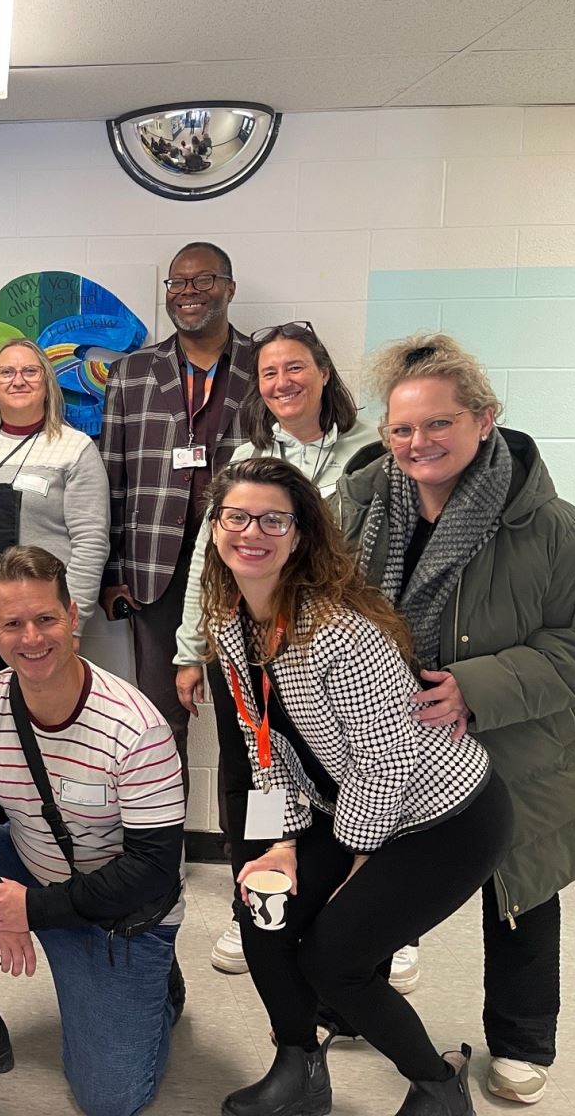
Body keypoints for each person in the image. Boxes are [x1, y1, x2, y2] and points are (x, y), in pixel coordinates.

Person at [338, 333, 575, 1107]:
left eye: (438, 424)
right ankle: (361, 993)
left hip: (523, 747)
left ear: (485, 419)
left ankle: (524, 1038)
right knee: (388, 879)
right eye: (401, 428)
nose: (417, 443)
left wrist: (473, 687)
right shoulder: (361, 504)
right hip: (400, 739)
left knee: (521, 891)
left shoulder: (550, 524)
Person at [198, 456, 512, 1116]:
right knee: (264, 910)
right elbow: (264, 751)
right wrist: (280, 846)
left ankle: (437, 1082)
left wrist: (355, 865)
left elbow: (386, 764)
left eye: (273, 519)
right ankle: (298, 1067)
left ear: (302, 534)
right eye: (236, 516)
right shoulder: (231, 627)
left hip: (446, 818)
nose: (251, 532)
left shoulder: (342, 634)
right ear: (216, 527)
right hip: (355, 809)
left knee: (335, 956)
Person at [0, 546, 185, 1116]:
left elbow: (153, 869)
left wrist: (31, 911)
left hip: (120, 908)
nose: (32, 638)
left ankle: (159, 986)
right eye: (14, 623)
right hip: (29, 870)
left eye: (45, 618)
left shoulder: (137, 726)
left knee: (108, 1100)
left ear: (73, 615)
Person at [165, 323, 385, 979]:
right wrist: (189, 648)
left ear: (323, 372)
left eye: (295, 368)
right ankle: (255, 906)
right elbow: (209, 556)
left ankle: (379, 920)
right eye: (268, 373)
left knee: (354, 781)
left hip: (337, 655)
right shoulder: (248, 461)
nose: (283, 382)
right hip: (248, 649)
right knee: (253, 780)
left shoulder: (374, 453)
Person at [100, 242, 255, 774]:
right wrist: (113, 572)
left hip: (246, 564)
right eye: (177, 283)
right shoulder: (132, 373)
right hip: (153, 571)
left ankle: (261, 853)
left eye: (203, 280)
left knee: (256, 719)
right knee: (162, 720)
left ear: (229, 288)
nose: (188, 293)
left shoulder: (265, 367)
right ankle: (164, 855)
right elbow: (113, 478)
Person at [0, 336, 108, 669]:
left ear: (46, 382)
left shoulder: (75, 448)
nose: (18, 380)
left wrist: (74, 618)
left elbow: (91, 544)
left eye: (30, 371)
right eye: (6, 372)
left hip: (41, 617)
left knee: (40, 708)